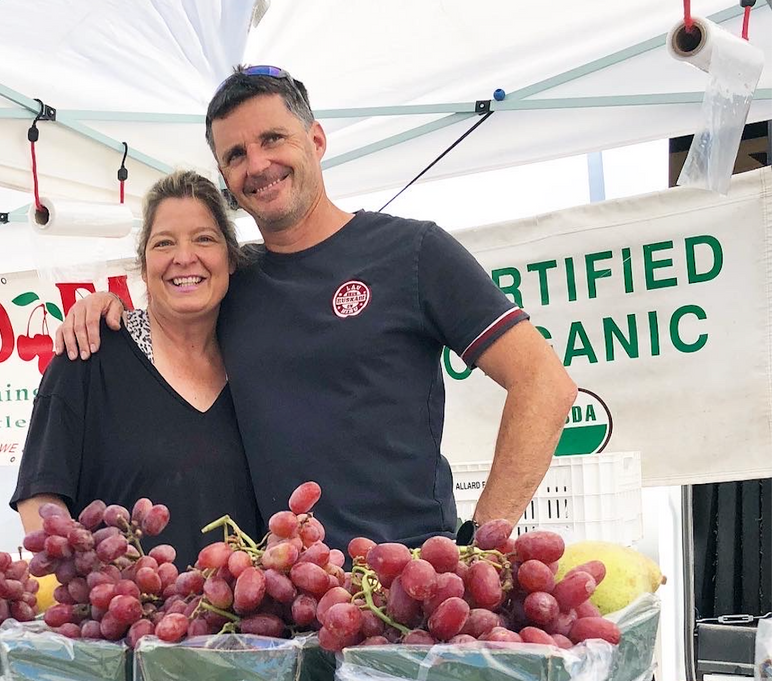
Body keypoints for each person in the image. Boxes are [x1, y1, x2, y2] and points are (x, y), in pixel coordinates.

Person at [52, 66, 577, 549]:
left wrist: (480, 547)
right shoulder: (235, 280)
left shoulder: (413, 253)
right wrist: (103, 306)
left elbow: (544, 382)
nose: (257, 164)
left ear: (317, 140)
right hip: (283, 601)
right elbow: (175, 306)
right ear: (226, 179)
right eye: (235, 155)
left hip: (407, 588)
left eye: (272, 138)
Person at [11, 170, 263, 564]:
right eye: (164, 243)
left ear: (230, 260)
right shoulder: (87, 356)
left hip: (244, 622)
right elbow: (40, 502)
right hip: (127, 620)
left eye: (204, 238)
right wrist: (98, 585)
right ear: (143, 267)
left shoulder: (258, 368)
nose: (184, 257)